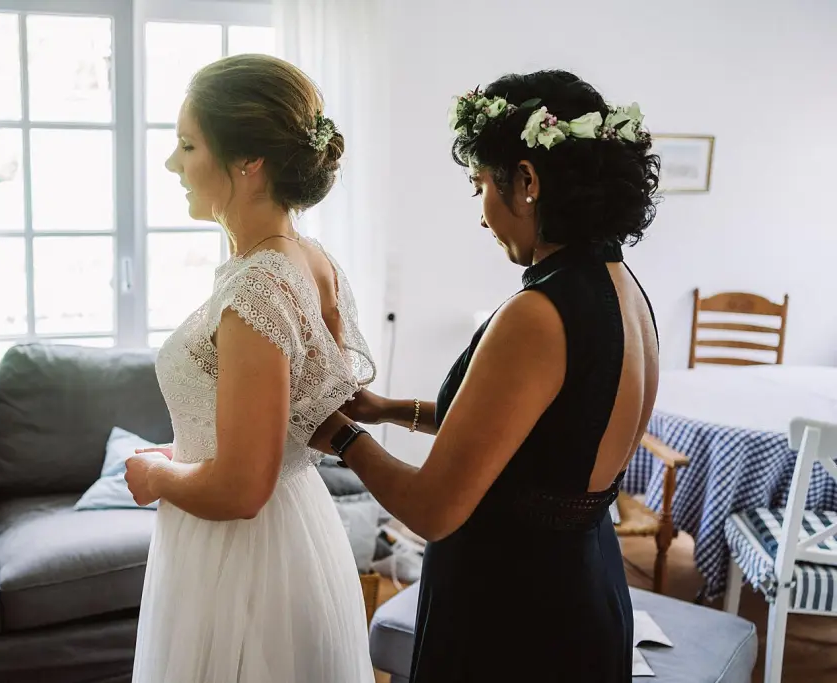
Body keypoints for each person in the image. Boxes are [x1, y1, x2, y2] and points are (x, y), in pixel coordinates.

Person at [310, 70, 661, 682]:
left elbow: (434, 509)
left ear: (526, 180)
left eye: (479, 187)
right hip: (586, 582)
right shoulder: (624, 291)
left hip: (516, 609)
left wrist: (339, 436)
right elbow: (539, 439)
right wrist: (389, 410)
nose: (481, 215)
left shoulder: (538, 313)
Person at [122, 54, 376, 683]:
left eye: (187, 145)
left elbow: (240, 488)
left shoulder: (259, 288)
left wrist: (157, 475)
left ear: (249, 161)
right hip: (295, 532)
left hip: (242, 560)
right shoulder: (310, 259)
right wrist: (186, 451)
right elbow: (286, 422)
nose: (172, 164)